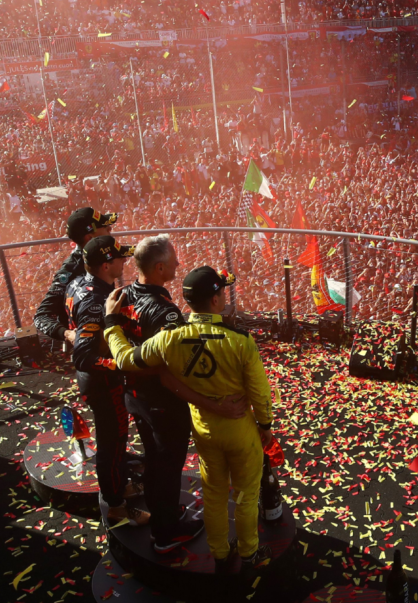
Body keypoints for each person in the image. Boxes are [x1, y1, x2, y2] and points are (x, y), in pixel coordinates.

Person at [105, 266, 275, 578]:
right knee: (247, 496)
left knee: (213, 493)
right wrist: (265, 426)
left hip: (204, 430)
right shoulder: (240, 341)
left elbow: (126, 359)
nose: (224, 295)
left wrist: (111, 325)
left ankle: (221, 556)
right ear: (214, 299)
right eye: (221, 291)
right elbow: (260, 393)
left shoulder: (170, 339)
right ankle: (249, 554)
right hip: (240, 431)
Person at [118, 234, 247, 553]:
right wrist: (213, 405)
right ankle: (166, 534)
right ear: (160, 267)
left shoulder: (123, 295)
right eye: (174, 258)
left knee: (153, 461)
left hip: (134, 397)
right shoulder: (165, 313)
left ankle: (164, 513)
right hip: (161, 405)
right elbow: (169, 375)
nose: (179, 262)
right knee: (167, 465)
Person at [66, 234, 149, 526]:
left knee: (115, 441)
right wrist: (120, 365)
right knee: (112, 443)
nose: (124, 260)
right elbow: (83, 356)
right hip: (102, 382)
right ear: (105, 265)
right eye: (118, 257)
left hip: (99, 381)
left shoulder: (82, 283)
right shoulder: (94, 299)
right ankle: (115, 506)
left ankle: (118, 487)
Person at [35, 207, 117, 346]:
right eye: (107, 229)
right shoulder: (69, 271)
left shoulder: (103, 258)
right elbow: (42, 316)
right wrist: (68, 334)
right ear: (90, 238)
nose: (111, 233)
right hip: (86, 347)